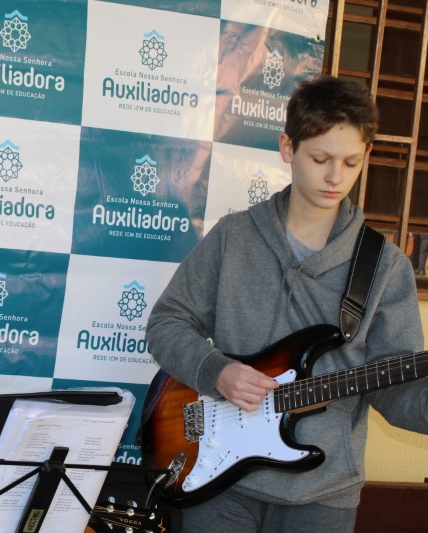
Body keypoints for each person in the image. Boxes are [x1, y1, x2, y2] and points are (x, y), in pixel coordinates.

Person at [145, 76, 427, 532]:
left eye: (351, 162)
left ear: (367, 155)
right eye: (320, 159)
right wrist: (216, 371)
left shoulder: (386, 267)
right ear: (287, 147)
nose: (336, 177)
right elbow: (167, 322)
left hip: (323, 497)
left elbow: (395, 386)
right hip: (217, 486)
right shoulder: (234, 237)